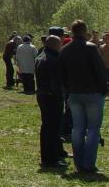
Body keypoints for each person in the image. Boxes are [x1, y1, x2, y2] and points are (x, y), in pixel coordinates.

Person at [58, 19, 108, 175]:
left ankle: (79, 163)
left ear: (72, 31)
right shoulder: (91, 48)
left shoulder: (64, 50)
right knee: (93, 129)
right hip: (92, 93)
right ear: (84, 31)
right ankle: (88, 163)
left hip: (74, 94)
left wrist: (68, 90)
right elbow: (100, 71)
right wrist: (103, 89)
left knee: (77, 129)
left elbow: (62, 74)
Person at [35, 36, 67, 169]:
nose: (61, 46)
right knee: (53, 128)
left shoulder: (40, 56)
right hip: (51, 97)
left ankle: (48, 156)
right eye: (59, 44)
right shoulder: (52, 60)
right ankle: (51, 159)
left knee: (46, 127)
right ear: (54, 45)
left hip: (42, 94)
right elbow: (55, 82)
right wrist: (60, 97)